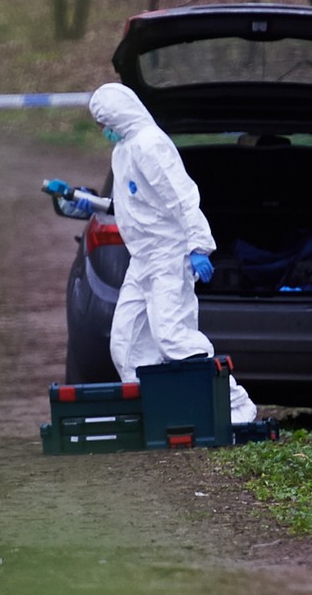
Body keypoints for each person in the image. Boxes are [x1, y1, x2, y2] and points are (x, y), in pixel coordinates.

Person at [46, 82, 257, 424]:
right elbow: (129, 207)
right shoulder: (125, 150)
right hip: (142, 260)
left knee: (174, 338)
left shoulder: (150, 145)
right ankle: (161, 413)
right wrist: (79, 199)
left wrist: (198, 246)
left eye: (104, 123)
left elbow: (181, 196)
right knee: (126, 343)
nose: (104, 131)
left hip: (168, 256)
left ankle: (235, 407)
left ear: (117, 116)